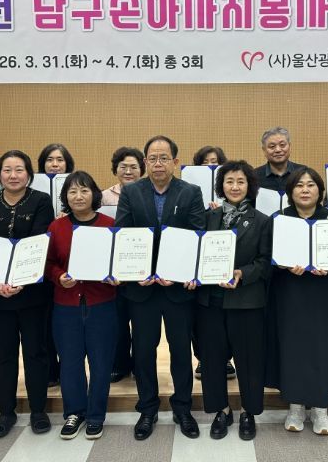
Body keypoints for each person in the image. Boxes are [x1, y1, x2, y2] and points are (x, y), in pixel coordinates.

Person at [114, 135, 206, 441]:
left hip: (177, 288)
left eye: (164, 158)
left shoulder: (190, 192)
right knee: (143, 351)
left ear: (175, 162)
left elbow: (196, 235)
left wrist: (177, 273)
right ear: (145, 162)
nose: (157, 163)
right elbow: (124, 234)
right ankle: (147, 408)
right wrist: (137, 272)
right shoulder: (131, 192)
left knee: (181, 350)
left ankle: (183, 408)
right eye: (152, 158)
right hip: (141, 289)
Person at [268, 167, 328, 435]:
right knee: (293, 347)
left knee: (323, 347)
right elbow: (267, 257)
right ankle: (295, 407)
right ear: (290, 192)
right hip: (290, 292)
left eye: (310, 185)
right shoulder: (279, 219)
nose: (305, 190)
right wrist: (283, 265)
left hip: (326, 293)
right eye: (299, 185)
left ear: (320, 190)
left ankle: (320, 410)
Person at [0, 150, 55, 438]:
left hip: (32, 291)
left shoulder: (41, 201)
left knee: (36, 352)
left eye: (19, 170)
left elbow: (38, 242)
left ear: (29, 174)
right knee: (4, 355)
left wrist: (21, 281)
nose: (13, 175)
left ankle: (38, 410)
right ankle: (6, 412)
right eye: (7, 170)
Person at [192, 160, 271, 441]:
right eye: (229, 181)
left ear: (250, 186)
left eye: (240, 181)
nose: (235, 187)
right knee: (212, 359)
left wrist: (242, 273)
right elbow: (195, 253)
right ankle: (221, 410)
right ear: (221, 185)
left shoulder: (262, 220)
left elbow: (265, 262)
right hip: (210, 301)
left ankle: (249, 411)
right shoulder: (207, 217)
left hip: (246, 301)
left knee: (249, 360)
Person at [46, 171, 118, 441]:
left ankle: (96, 415)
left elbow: (119, 260)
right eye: (72, 191)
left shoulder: (110, 225)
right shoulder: (57, 227)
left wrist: (117, 275)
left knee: (101, 363)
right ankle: (74, 412)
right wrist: (58, 277)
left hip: (103, 303)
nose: (78, 196)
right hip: (66, 305)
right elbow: (48, 263)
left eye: (84, 190)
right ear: (65, 197)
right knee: (70, 362)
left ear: (94, 194)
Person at [190, 145, 236, 382]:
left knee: (225, 318)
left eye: (215, 161)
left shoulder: (233, 192)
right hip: (201, 267)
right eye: (205, 161)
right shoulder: (190, 191)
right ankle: (202, 358)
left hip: (228, 264)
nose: (210, 164)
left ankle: (226, 359)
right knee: (201, 318)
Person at [101, 147, 145, 383]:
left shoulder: (148, 194)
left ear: (142, 169)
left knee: (141, 322)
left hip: (140, 265)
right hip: (114, 268)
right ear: (115, 169)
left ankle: (139, 363)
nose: (128, 171)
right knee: (117, 321)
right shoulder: (103, 197)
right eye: (123, 167)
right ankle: (119, 364)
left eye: (133, 167)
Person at [37, 143, 76, 387]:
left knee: (67, 324)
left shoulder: (74, 185)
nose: (54, 164)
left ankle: (69, 368)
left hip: (67, 263)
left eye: (60, 159)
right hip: (41, 261)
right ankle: (51, 370)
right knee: (46, 322)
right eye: (49, 159)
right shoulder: (33, 187)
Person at [254, 127, 304, 192]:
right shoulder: (254, 176)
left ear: (290, 146)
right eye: (272, 146)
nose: (278, 150)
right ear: (264, 150)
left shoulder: (303, 172)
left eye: (282, 145)